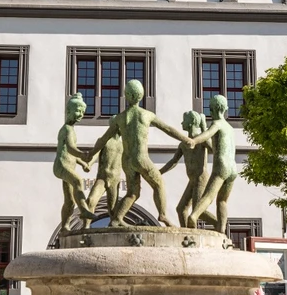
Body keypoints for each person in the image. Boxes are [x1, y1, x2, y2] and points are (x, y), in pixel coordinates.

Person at [88, 79, 189, 227]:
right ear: (141, 96)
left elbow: (103, 139)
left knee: (133, 193)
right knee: (158, 183)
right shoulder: (146, 115)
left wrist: (90, 154)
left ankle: (117, 218)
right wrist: (186, 139)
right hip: (141, 158)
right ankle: (162, 215)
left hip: (127, 161)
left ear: (126, 96)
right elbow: (167, 129)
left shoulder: (120, 118)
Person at [185, 94, 236, 232]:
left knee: (208, 196)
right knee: (222, 201)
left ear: (212, 109)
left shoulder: (217, 124)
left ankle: (194, 216)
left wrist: (195, 141)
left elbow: (208, 134)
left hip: (222, 166)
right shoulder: (230, 128)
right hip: (233, 168)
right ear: (225, 109)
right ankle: (222, 230)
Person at [159, 110, 216, 228]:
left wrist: (204, 127)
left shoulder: (201, 139)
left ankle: (219, 224)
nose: (181, 123)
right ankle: (187, 234)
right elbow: (173, 161)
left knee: (197, 210)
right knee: (181, 209)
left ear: (191, 123)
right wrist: (159, 173)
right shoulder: (183, 144)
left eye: (184, 121)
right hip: (192, 180)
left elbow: (212, 149)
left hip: (201, 179)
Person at [55, 93, 97, 235]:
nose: (80, 115)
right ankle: (84, 210)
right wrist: (82, 155)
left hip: (69, 165)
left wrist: (81, 163)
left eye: (83, 112)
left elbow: (70, 152)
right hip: (62, 166)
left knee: (69, 201)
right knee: (79, 181)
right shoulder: (66, 129)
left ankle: (65, 226)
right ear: (69, 111)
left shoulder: (71, 129)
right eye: (78, 111)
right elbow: (72, 148)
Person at [83, 127, 123, 229]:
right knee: (91, 200)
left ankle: (113, 229)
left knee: (113, 210)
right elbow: (95, 153)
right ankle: (86, 227)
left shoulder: (124, 144)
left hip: (115, 179)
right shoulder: (104, 140)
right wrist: (90, 164)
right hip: (102, 177)